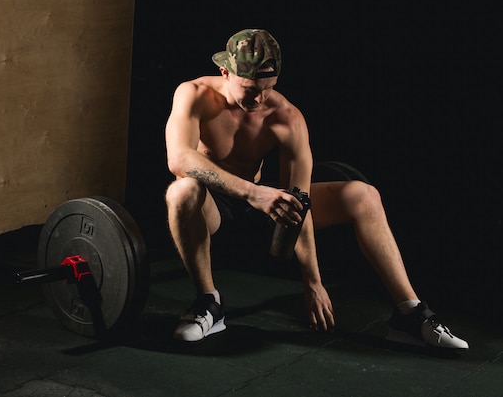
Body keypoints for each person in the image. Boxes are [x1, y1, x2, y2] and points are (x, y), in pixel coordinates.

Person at [164, 28, 468, 349]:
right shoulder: (193, 93)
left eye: (267, 88)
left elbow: (300, 200)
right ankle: (208, 304)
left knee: (363, 195)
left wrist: (313, 281)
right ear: (225, 71)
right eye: (250, 88)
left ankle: (410, 314)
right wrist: (255, 194)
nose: (258, 98)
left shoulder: (286, 118)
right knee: (182, 190)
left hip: (265, 208)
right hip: (214, 208)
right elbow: (179, 159)